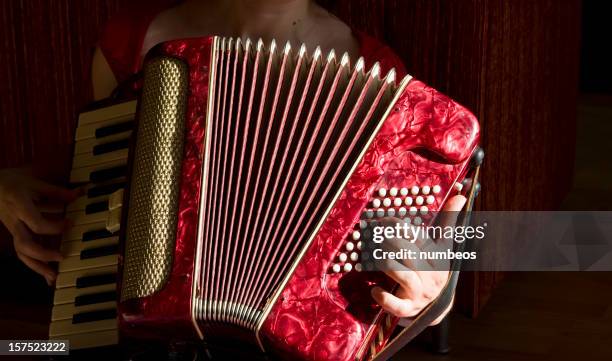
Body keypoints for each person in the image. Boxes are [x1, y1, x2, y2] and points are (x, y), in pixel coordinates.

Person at [0, 0, 465, 326]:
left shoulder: (378, 77)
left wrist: (432, 293)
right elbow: (100, 187)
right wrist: (11, 189)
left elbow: (402, 254)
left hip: (299, 334)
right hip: (139, 323)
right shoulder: (133, 37)